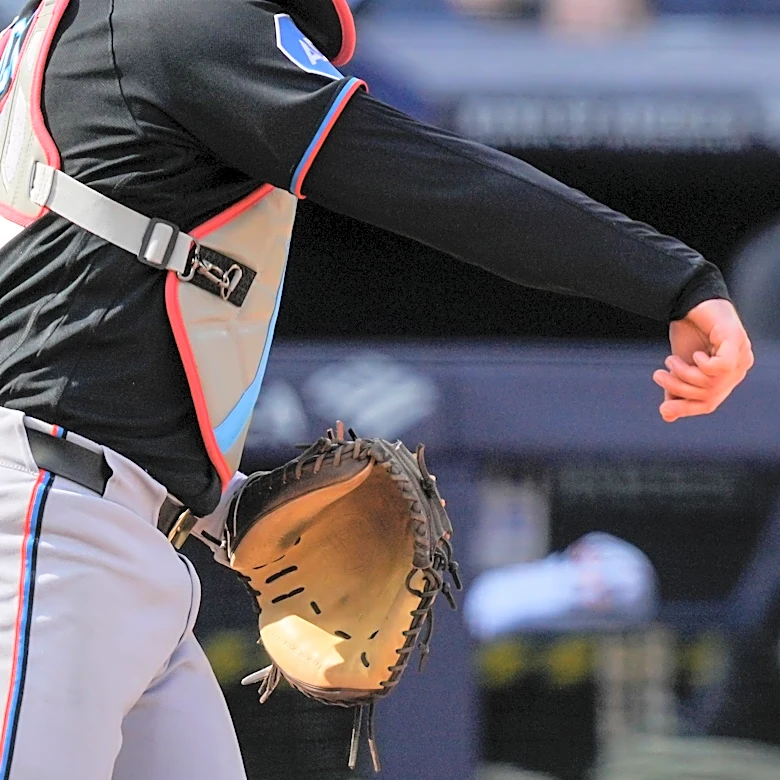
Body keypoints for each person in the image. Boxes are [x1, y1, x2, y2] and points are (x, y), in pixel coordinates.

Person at [0, 0, 753, 778]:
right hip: (46, 537)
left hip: (109, 532)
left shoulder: (94, 27)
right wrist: (674, 278)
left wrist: (223, 504)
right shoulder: (178, 17)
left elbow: (90, 321)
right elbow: (434, 180)